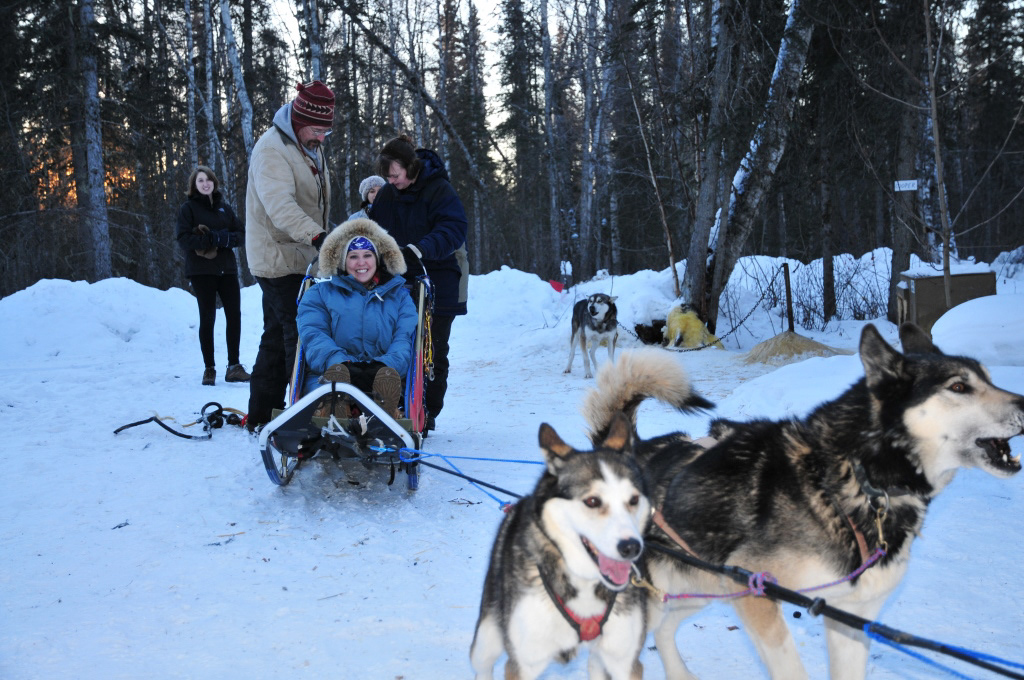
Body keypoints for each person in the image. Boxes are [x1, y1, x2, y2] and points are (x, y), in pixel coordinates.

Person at [244, 80, 335, 430]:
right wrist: (317, 235)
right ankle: (298, 416)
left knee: (274, 335)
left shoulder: (307, 144)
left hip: (300, 254)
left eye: (326, 131)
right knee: (296, 335)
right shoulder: (272, 150)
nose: (322, 137)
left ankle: (263, 414)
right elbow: (281, 206)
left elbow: (315, 200)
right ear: (299, 119)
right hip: (278, 258)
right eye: (317, 130)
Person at [368, 135, 469, 433]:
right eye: (388, 176)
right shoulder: (387, 195)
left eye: (396, 174)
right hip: (396, 282)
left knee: (432, 350)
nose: (392, 180)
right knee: (393, 346)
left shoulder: (439, 190)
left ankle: (427, 411)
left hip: (436, 280)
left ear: (411, 168)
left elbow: (454, 228)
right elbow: (374, 230)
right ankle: (394, 406)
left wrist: (421, 248)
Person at [296, 218, 417, 418]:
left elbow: (403, 341)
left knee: (386, 379)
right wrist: (342, 364)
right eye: (353, 256)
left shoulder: (400, 297)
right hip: (329, 374)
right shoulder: (319, 294)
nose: (361, 263)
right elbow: (314, 336)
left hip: (385, 376)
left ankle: (377, 412)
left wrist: (382, 366)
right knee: (337, 379)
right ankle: (338, 409)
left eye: (367, 255)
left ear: (378, 258)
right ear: (342, 260)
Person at [175, 165, 250, 386]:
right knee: (208, 317)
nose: (205, 183)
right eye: (200, 180)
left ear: (214, 183)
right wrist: (211, 240)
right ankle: (209, 369)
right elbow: (183, 239)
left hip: (226, 269)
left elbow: (241, 234)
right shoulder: (188, 209)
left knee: (234, 315)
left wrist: (226, 239)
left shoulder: (224, 209)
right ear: (194, 185)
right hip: (201, 271)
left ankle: (234, 366)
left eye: (208, 179)